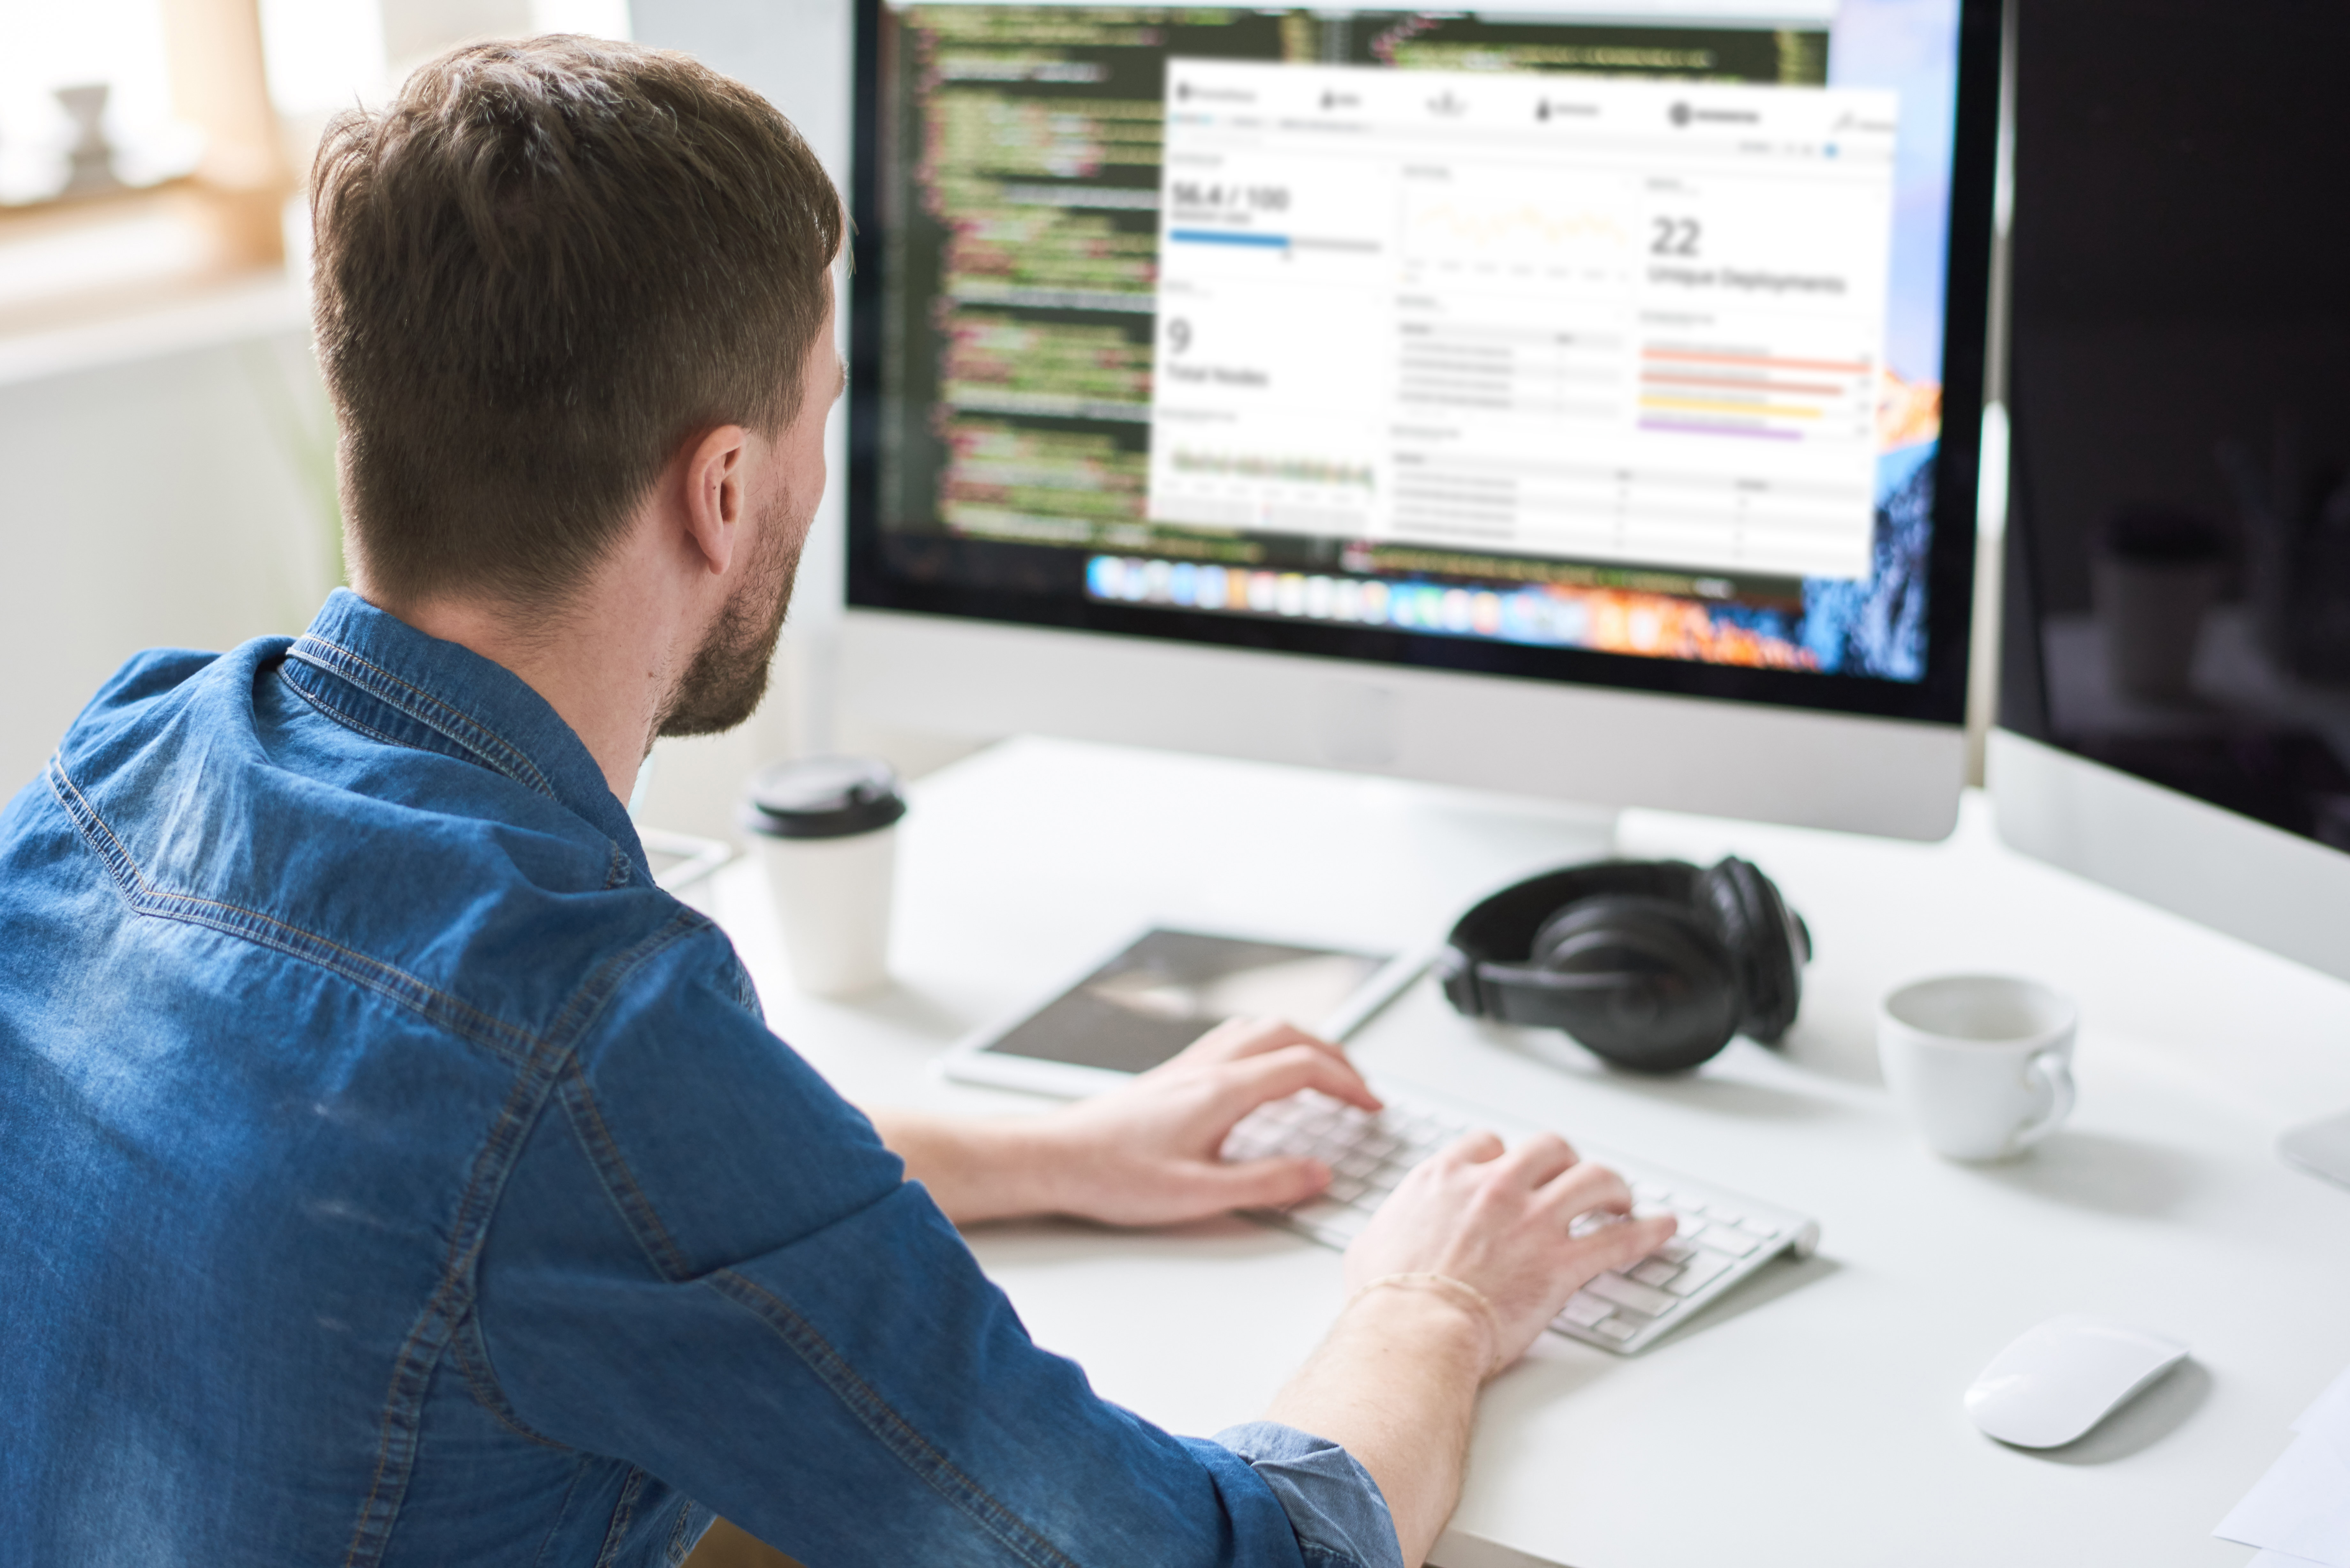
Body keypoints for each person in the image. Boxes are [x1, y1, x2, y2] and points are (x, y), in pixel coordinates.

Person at [0, 35, 1671, 1568]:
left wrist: (1053, 1154)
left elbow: (530, 1194)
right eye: (818, 420)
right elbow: (1199, 1555)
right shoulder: (586, 1032)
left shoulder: (126, 758)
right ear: (722, 488)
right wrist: (1436, 1302)